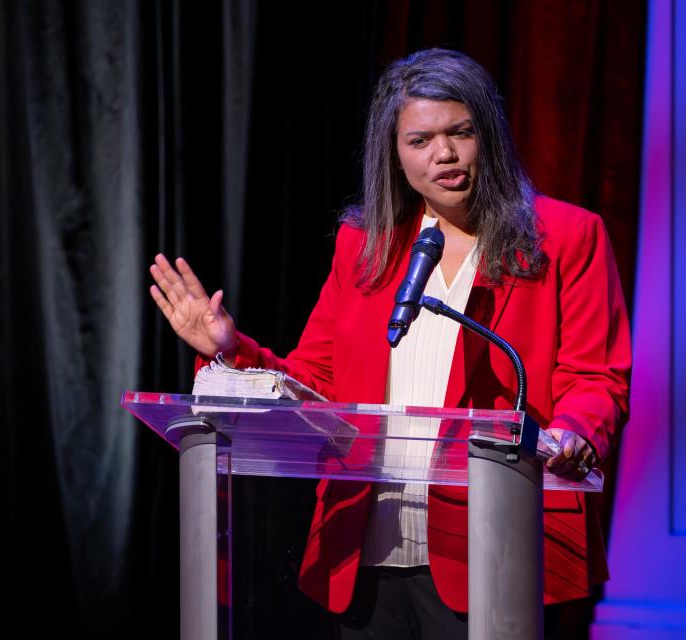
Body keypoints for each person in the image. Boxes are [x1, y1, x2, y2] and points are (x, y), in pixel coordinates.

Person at [149, 48, 631, 639]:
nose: (444, 155)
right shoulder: (366, 247)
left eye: (461, 132)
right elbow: (315, 383)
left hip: (499, 546)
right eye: (420, 140)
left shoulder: (565, 238)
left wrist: (574, 433)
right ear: (395, 155)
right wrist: (229, 349)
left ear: (491, 137)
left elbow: (596, 377)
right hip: (367, 544)